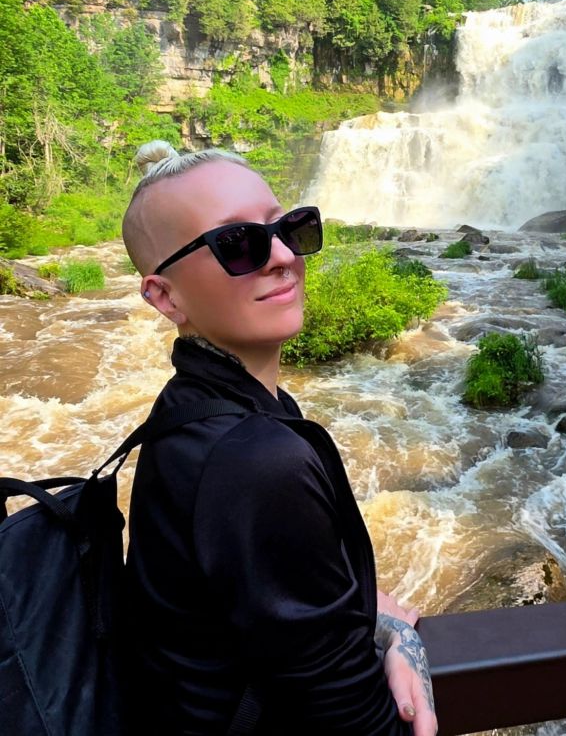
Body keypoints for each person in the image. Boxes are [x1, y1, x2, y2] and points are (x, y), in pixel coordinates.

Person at [121, 140, 437, 736]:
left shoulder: (194, 405)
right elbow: (359, 723)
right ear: (164, 295)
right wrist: (404, 644)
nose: (284, 255)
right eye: (238, 242)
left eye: (291, 228)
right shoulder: (252, 460)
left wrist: (379, 620)